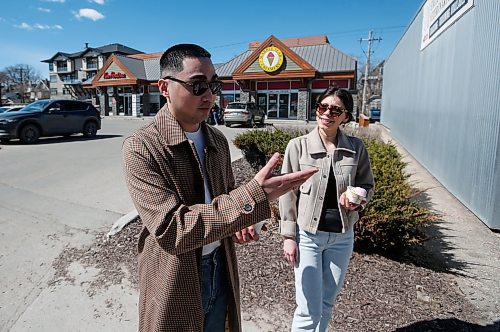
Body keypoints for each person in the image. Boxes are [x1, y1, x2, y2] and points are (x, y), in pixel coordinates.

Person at [122, 43, 317, 332]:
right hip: (173, 275)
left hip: (220, 264)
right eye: (198, 85)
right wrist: (253, 196)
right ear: (164, 87)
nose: (210, 95)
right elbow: (171, 230)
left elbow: (224, 201)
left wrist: (243, 223)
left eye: (214, 85)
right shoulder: (142, 147)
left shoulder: (216, 139)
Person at [279, 86, 375, 331]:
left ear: (345, 116)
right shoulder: (298, 146)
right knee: (307, 309)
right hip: (308, 235)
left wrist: (359, 197)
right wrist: (289, 236)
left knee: (326, 304)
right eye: (323, 107)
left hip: (342, 237)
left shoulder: (356, 147)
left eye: (336, 110)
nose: (327, 113)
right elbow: (287, 193)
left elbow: (367, 184)